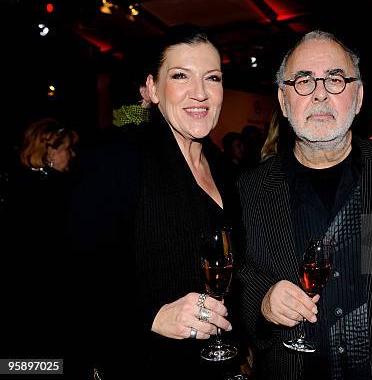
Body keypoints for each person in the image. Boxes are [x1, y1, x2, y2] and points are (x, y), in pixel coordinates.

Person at [237, 30, 372, 379]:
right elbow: (236, 283)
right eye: (304, 81)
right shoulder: (248, 190)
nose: (320, 93)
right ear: (282, 99)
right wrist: (263, 303)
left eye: (336, 79)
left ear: (358, 97)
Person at [69, 27, 242, 378]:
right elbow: (75, 279)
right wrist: (150, 316)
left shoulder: (227, 169)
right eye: (181, 76)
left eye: (212, 78)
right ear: (152, 89)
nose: (200, 93)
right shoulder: (119, 161)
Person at [0, 117, 79, 359]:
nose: (72, 155)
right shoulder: (47, 190)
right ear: (49, 150)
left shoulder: (20, 182)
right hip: (39, 290)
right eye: (67, 148)